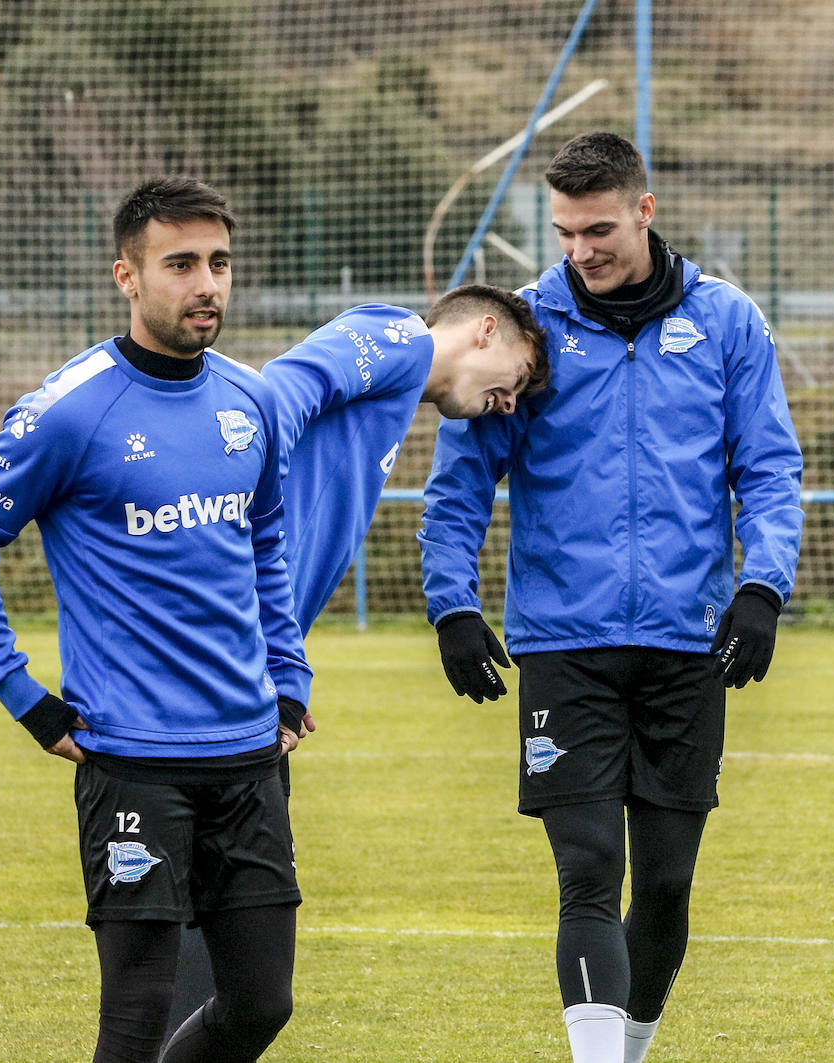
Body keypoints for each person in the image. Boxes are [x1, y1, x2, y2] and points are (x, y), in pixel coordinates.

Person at [418, 131, 805, 1063]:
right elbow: (460, 482)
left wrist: (762, 585)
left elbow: (771, 469)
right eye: (564, 232)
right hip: (565, 642)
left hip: (688, 640)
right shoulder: (525, 328)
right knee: (588, 869)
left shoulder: (727, 321)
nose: (581, 251)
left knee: (666, 884)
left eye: (598, 229)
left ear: (645, 210)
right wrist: (452, 603)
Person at [0, 176, 314, 1063]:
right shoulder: (68, 410)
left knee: (261, 1002)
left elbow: (265, 543)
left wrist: (289, 680)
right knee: (136, 1014)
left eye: (218, 262)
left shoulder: (249, 401)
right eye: (180, 263)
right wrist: (27, 698)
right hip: (131, 760)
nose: (207, 283)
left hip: (249, 754)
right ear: (127, 276)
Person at [161, 283, 550, 1037]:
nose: (513, 402)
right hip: (219, 649)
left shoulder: (397, 395)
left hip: (246, 662)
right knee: (237, 924)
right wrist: (236, 532)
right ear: (485, 329)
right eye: (521, 375)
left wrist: (282, 669)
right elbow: (279, 395)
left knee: (222, 912)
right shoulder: (396, 337)